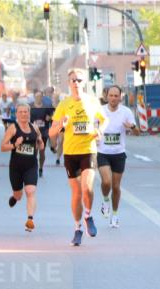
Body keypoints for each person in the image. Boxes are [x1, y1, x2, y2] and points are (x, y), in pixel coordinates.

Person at [49, 68, 107, 246]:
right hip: (70, 152)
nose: (76, 83)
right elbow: (51, 132)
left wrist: (99, 131)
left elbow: (104, 120)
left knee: (87, 188)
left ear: (84, 82)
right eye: (73, 80)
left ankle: (88, 216)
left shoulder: (92, 101)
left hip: (88, 149)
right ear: (69, 83)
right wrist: (61, 126)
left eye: (80, 80)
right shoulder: (63, 105)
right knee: (76, 193)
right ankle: (77, 228)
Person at [96, 85, 139, 228]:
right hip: (103, 153)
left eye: (116, 96)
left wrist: (131, 127)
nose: (113, 98)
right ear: (106, 96)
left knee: (116, 186)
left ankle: (114, 215)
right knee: (106, 182)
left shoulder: (126, 112)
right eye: (111, 95)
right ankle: (105, 200)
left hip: (119, 154)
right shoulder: (100, 111)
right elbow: (92, 127)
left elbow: (137, 133)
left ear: (120, 97)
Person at [1, 103, 44, 233]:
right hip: (16, 167)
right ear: (17, 114)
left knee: (30, 191)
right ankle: (15, 197)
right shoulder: (13, 128)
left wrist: (41, 142)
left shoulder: (35, 128)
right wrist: (15, 144)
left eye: (26, 112)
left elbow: (40, 146)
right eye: (21, 112)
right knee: (19, 195)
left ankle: (30, 220)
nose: (24, 114)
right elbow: (3, 147)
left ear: (29, 113)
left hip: (31, 166)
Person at [29, 90, 53, 177]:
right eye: (36, 97)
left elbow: (53, 115)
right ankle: (33, 168)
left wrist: (49, 117)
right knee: (34, 152)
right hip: (33, 132)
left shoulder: (46, 107)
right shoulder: (30, 106)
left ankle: (41, 168)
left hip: (43, 132)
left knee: (42, 152)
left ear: (42, 97)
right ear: (34, 97)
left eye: (40, 97)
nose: (38, 98)